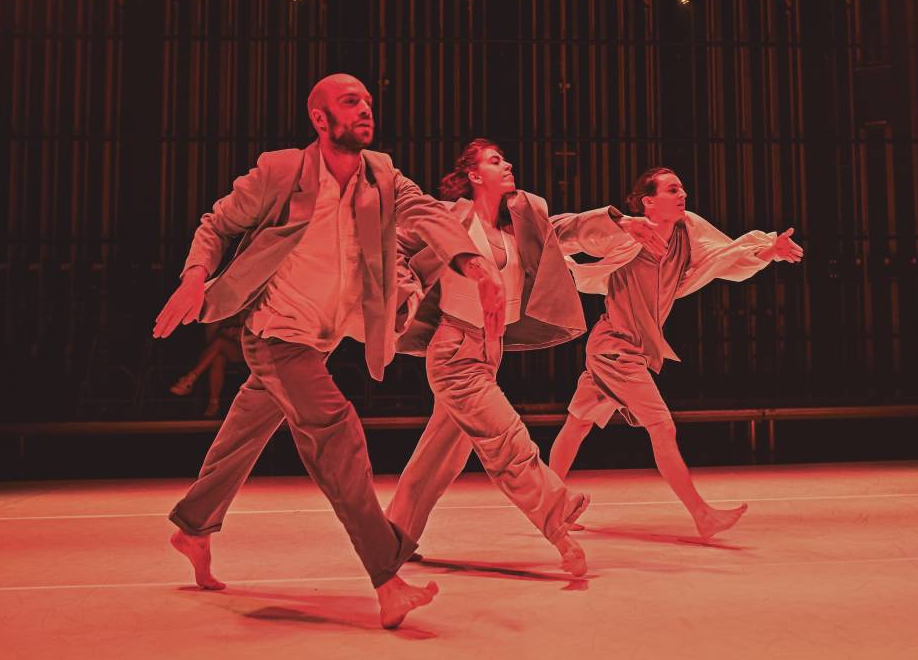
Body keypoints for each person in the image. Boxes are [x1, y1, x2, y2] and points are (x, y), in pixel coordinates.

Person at [152, 73, 507, 629]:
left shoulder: (381, 175)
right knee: (336, 432)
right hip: (274, 335)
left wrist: (476, 263)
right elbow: (217, 224)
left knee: (243, 434)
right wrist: (195, 277)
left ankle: (193, 526)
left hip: (319, 340)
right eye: (350, 102)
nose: (365, 109)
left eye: (368, 101)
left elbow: (428, 214)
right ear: (320, 119)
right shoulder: (280, 171)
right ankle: (387, 578)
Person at [385, 139, 624, 576]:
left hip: (488, 353)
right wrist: (407, 291)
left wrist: (620, 223)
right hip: (454, 352)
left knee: (438, 459)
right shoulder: (449, 218)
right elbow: (396, 246)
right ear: (474, 175)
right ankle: (559, 519)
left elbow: (564, 230)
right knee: (507, 441)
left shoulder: (519, 223)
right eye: (495, 161)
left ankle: (390, 542)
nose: (508, 163)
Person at [548, 167, 804, 540]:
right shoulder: (626, 233)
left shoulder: (688, 229)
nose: (682, 193)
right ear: (649, 201)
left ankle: (546, 506)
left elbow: (725, 255)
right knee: (662, 427)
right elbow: (574, 234)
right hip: (615, 350)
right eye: (672, 189)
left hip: (624, 348)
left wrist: (769, 250)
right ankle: (702, 515)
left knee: (578, 424)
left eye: (681, 187)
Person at [169, 315, 244, 418]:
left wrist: (235, 332)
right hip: (223, 354)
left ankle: (189, 380)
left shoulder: (245, 309)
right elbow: (210, 343)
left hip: (245, 353)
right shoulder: (214, 317)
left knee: (220, 342)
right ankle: (214, 404)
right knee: (218, 358)